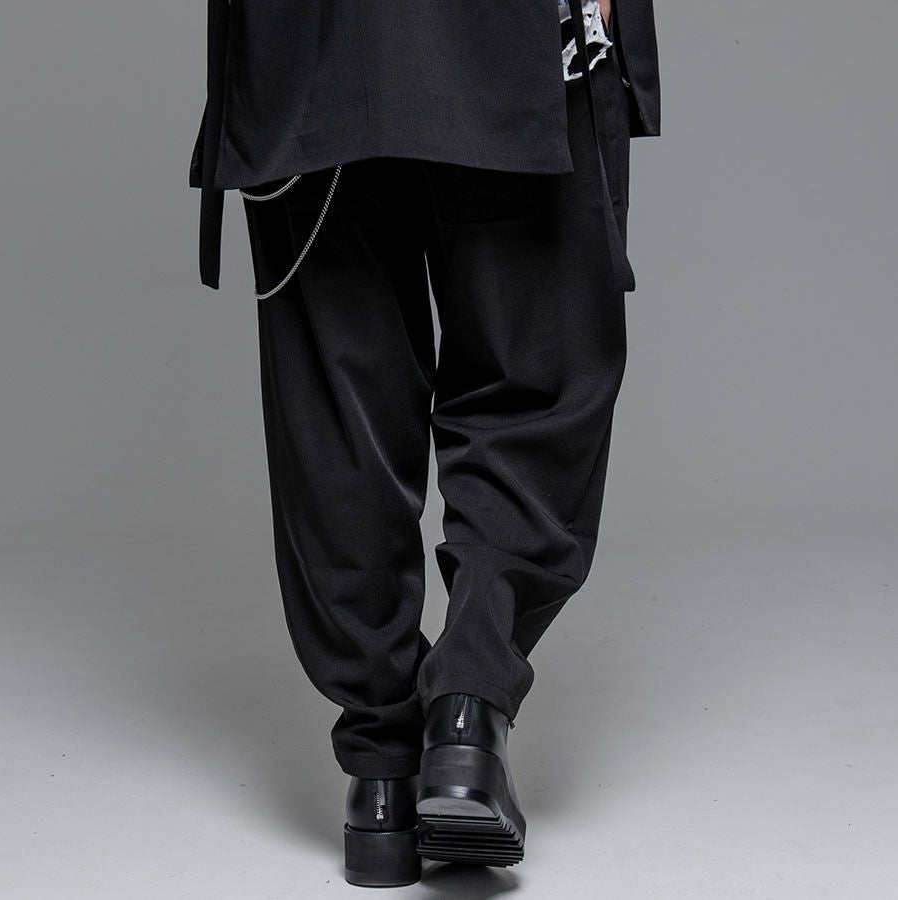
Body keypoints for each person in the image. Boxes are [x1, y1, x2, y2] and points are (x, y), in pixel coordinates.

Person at [188, 0, 660, 886]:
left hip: (302, 45)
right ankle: (466, 716)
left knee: (340, 405)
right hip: (513, 32)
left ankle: (382, 779)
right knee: (535, 376)